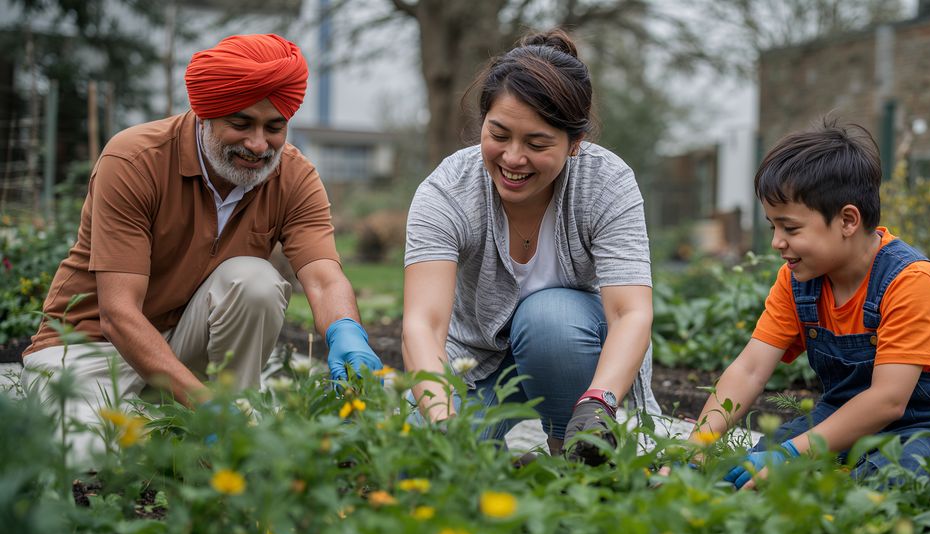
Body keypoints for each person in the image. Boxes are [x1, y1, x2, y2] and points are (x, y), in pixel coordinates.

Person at [21, 34, 382, 465]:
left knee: (255, 281)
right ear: (204, 114)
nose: (258, 145)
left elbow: (323, 279)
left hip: (182, 349)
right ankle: (204, 424)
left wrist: (347, 333)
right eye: (241, 124)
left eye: (274, 127)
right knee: (89, 454)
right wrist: (203, 404)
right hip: (90, 350)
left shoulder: (294, 177)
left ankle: (233, 420)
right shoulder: (136, 159)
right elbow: (117, 315)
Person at [402, 29, 658, 464]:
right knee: (427, 459)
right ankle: (499, 463)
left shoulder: (606, 183)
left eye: (537, 144)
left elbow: (630, 313)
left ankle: (572, 453)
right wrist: (443, 422)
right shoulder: (448, 190)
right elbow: (423, 324)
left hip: (576, 351)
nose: (513, 158)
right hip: (474, 361)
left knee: (549, 316)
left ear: (575, 144)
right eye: (499, 134)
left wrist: (598, 401)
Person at [691, 119, 930, 488]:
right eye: (773, 227)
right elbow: (750, 369)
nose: (776, 243)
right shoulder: (797, 281)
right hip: (843, 415)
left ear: (848, 220)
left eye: (790, 228)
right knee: (750, 470)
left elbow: (888, 400)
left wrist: (792, 454)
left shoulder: (910, 280)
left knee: (890, 481)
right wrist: (696, 448)